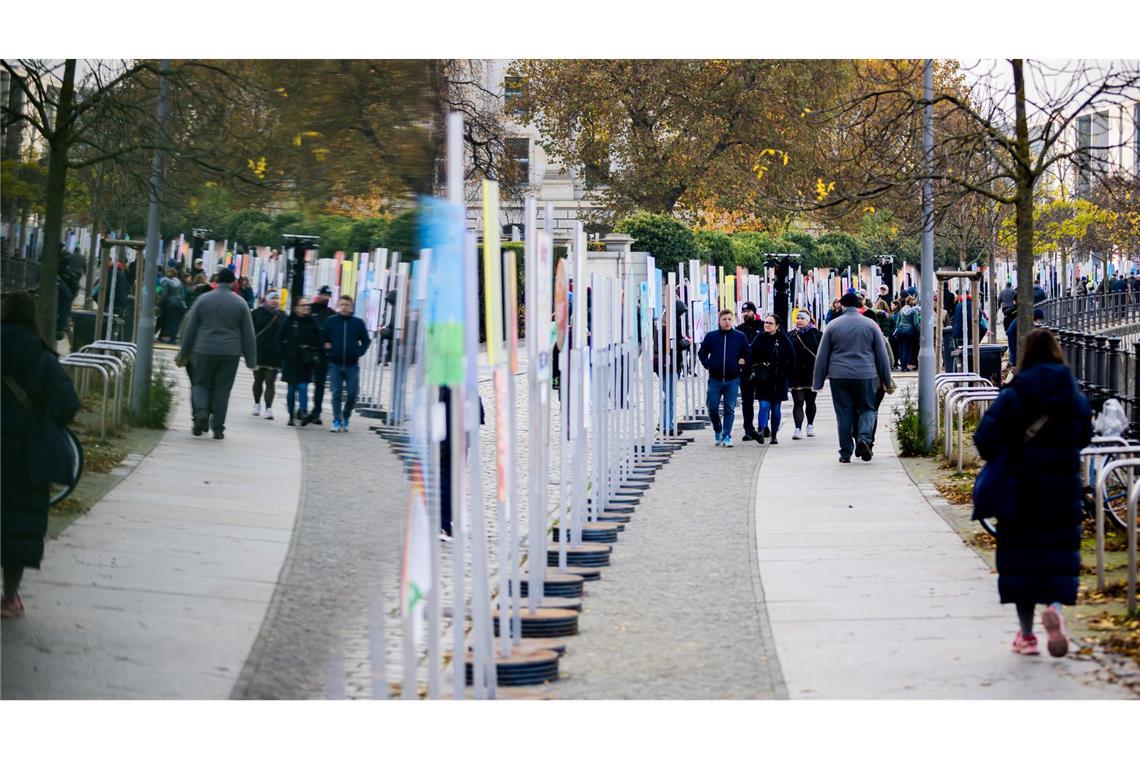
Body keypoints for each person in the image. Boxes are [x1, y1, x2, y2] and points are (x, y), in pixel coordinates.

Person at [973, 329, 1091, 657]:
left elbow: (985, 438)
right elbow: (1084, 434)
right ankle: (1055, 608)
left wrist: (1006, 453)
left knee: (1021, 562)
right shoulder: (1072, 392)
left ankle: (1026, 636)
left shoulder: (1015, 393)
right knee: (1057, 556)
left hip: (1019, 490)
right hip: (1061, 491)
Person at [1, 291, 80, 619]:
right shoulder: (43, 358)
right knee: (18, 526)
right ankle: (10, 598)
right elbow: (67, 405)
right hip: (26, 457)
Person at [812, 292, 893, 463]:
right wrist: (886, 378)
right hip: (866, 374)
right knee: (868, 408)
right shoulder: (870, 325)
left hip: (839, 375)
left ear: (841, 305)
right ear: (859, 305)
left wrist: (817, 382)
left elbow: (822, 355)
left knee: (844, 413)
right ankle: (864, 437)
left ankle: (845, 453)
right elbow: (882, 355)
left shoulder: (833, 326)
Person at [176, 267, 256, 440]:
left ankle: (201, 413)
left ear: (217, 281)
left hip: (203, 349)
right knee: (222, 389)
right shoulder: (240, 303)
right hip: (230, 352)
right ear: (233, 283)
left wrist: (184, 352)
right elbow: (248, 334)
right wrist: (251, 360)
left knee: (199, 383)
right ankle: (218, 428)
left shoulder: (203, 300)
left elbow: (190, 329)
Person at [697, 308, 751, 447]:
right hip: (715, 379)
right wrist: (708, 364)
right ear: (719, 321)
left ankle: (727, 435)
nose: (727, 322)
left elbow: (747, 353)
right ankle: (718, 429)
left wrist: (742, 362)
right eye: (724, 320)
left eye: (729, 319)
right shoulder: (711, 336)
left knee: (729, 408)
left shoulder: (740, 336)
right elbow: (702, 353)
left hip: (732, 379)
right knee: (712, 407)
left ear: (732, 320)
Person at [321, 295, 372, 433]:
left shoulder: (358, 323)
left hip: (352, 365)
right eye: (342, 304)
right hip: (335, 364)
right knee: (336, 393)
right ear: (338, 306)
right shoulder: (330, 321)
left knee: (352, 393)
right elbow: (323, 338)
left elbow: (366, 340)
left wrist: (359, 352)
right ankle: (337, 420)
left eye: (347, 305)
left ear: (351, 308)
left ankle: (346, 416)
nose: (344, 307)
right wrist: (327, 350)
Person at [751, 313, 795, 445]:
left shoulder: (783, 338)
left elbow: (792, 358)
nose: (767, 325)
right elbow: (751, 353)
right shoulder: (760, 337)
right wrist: (756, 368)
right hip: (763, 379)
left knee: (776, 408)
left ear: (777, 326)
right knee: (764, 405)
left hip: (778, 380)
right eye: (766, 322)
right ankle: (762, 430)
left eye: (770, 323)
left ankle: (774, 434)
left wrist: (786, 374)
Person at [277, 296, 321, 426]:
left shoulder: (312, 322)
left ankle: (303, 412)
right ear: (296, 308)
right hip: (291, 361)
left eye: (307, 305)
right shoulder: (289, 321)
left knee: (303, 387)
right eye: (303, 305)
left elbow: (317, 340)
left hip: (305, 362)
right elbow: (279, 338)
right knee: (291, 389)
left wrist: (313, 353)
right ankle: (291, 415)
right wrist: (284, 354)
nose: (306, 307)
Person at [305, 285, 336, 425]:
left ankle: (317, 412)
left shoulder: (331, 313)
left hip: (323, 355)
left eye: (328, 296)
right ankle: (303, 409)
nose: (325, 298)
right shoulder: (310, 309)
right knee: (303, 383)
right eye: (323, 295)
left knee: (320, 385)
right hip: (308, 351)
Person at [788, 309, 822, 439]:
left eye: (802, 318)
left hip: (811, 373)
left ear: (808, 320)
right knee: (798, 401)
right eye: (797, 318)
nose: (799, 320)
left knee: (810, 401)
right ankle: (797, 428)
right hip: (795, 374)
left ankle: (810, 425)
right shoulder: (791, 335)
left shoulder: (817, 334)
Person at [250, 291, 283, 420]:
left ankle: (268, 408)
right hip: (259, 352)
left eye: (277, 298)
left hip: (274, 354)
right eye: (272, 298)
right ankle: (256, 404)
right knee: (258, 380)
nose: (275, 301)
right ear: (266, 300)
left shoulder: (282, 315)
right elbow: (250, 330)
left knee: (270, 381)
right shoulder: (257, 313)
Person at [736, 301, 763, 441]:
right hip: (745, 370)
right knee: (747, 401)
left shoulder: (763, 326)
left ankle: (763, 426)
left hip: (761, 369)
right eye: (744, 312)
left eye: (748, 311)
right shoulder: (739, 329)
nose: (746, 314)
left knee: (764, 400)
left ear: (754, 312)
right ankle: (748, 429)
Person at [158, 267, 187, 343]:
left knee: (168, 320)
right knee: (176, 321)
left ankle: (166, 337)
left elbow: (164, 294)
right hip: (179, 303)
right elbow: (183, 294)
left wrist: (159, 303)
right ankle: (173, 337)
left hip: (169, 303)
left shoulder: (167, 282)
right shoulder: (179, 282)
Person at [894, 296, 921, 371]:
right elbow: (916, 324)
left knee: (901, 349)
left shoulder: (901, 310)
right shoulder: (914, 312)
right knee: (907, 349)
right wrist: (921, 331)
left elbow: (897, 322)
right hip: (909, 332)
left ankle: (903, 366)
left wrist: (896, 330)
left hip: (900, 331)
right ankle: (904, 367)